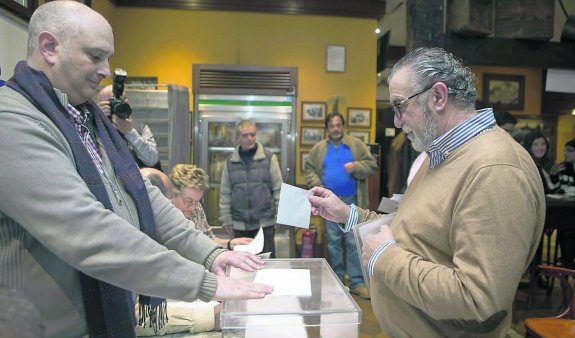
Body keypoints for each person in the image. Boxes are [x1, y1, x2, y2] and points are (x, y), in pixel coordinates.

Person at [0, 2, 272, 337]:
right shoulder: (12, 120)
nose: (105, 70)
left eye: (108, 59)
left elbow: (144, 198)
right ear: (49, 47)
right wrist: (204, 283)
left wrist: (211, 255)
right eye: (96, 56)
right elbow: (86, 230)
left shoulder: (85, 117)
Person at [308, 47, 545, 337]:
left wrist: (385, 257)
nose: (397, 121)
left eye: (399, 106)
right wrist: (348, 214)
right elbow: (409, 230)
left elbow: (478, 299)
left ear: (438, 97)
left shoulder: (496, 169)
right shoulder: (442, 155)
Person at [303, 111, 377, 299]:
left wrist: (357, 167)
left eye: (338, 125)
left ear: (343, 127)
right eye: (332, 125)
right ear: (327, 128)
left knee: (353, 243)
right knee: (334, 242)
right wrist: (317, 185)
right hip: (328, 203)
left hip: (353, 202)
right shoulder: (319, 148)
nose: (335, 129)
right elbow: (308, 167)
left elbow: (372, 165)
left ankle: (356, 282)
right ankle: (337, 280)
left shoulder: (356, 145)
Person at [219, 119, 283, 257]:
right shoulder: (230, 161)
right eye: (245, 135)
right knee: (242, 265)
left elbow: (278, 189)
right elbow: (225, 192)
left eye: (252, 134)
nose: (250, 138)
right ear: (237, 138)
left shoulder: (269, 158)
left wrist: (280, 216)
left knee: (267, 263)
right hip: (239, 224)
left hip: (265, 223)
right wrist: (226, 218)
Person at [170, 164, 253, 250]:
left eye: (197, 201)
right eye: (188, 201)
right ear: (173, 193)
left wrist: (230, 243)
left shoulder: (197, 208)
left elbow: (208, 239)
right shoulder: (164, 214)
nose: (192, 207)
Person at [96, 84, 162, 170]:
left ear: (126, 103)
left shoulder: (140, 128)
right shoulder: (94, 127)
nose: (115, 106)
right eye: (110, 103)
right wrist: (96, 118)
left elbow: (152, 160)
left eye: (118, 102)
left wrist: (130, 133)